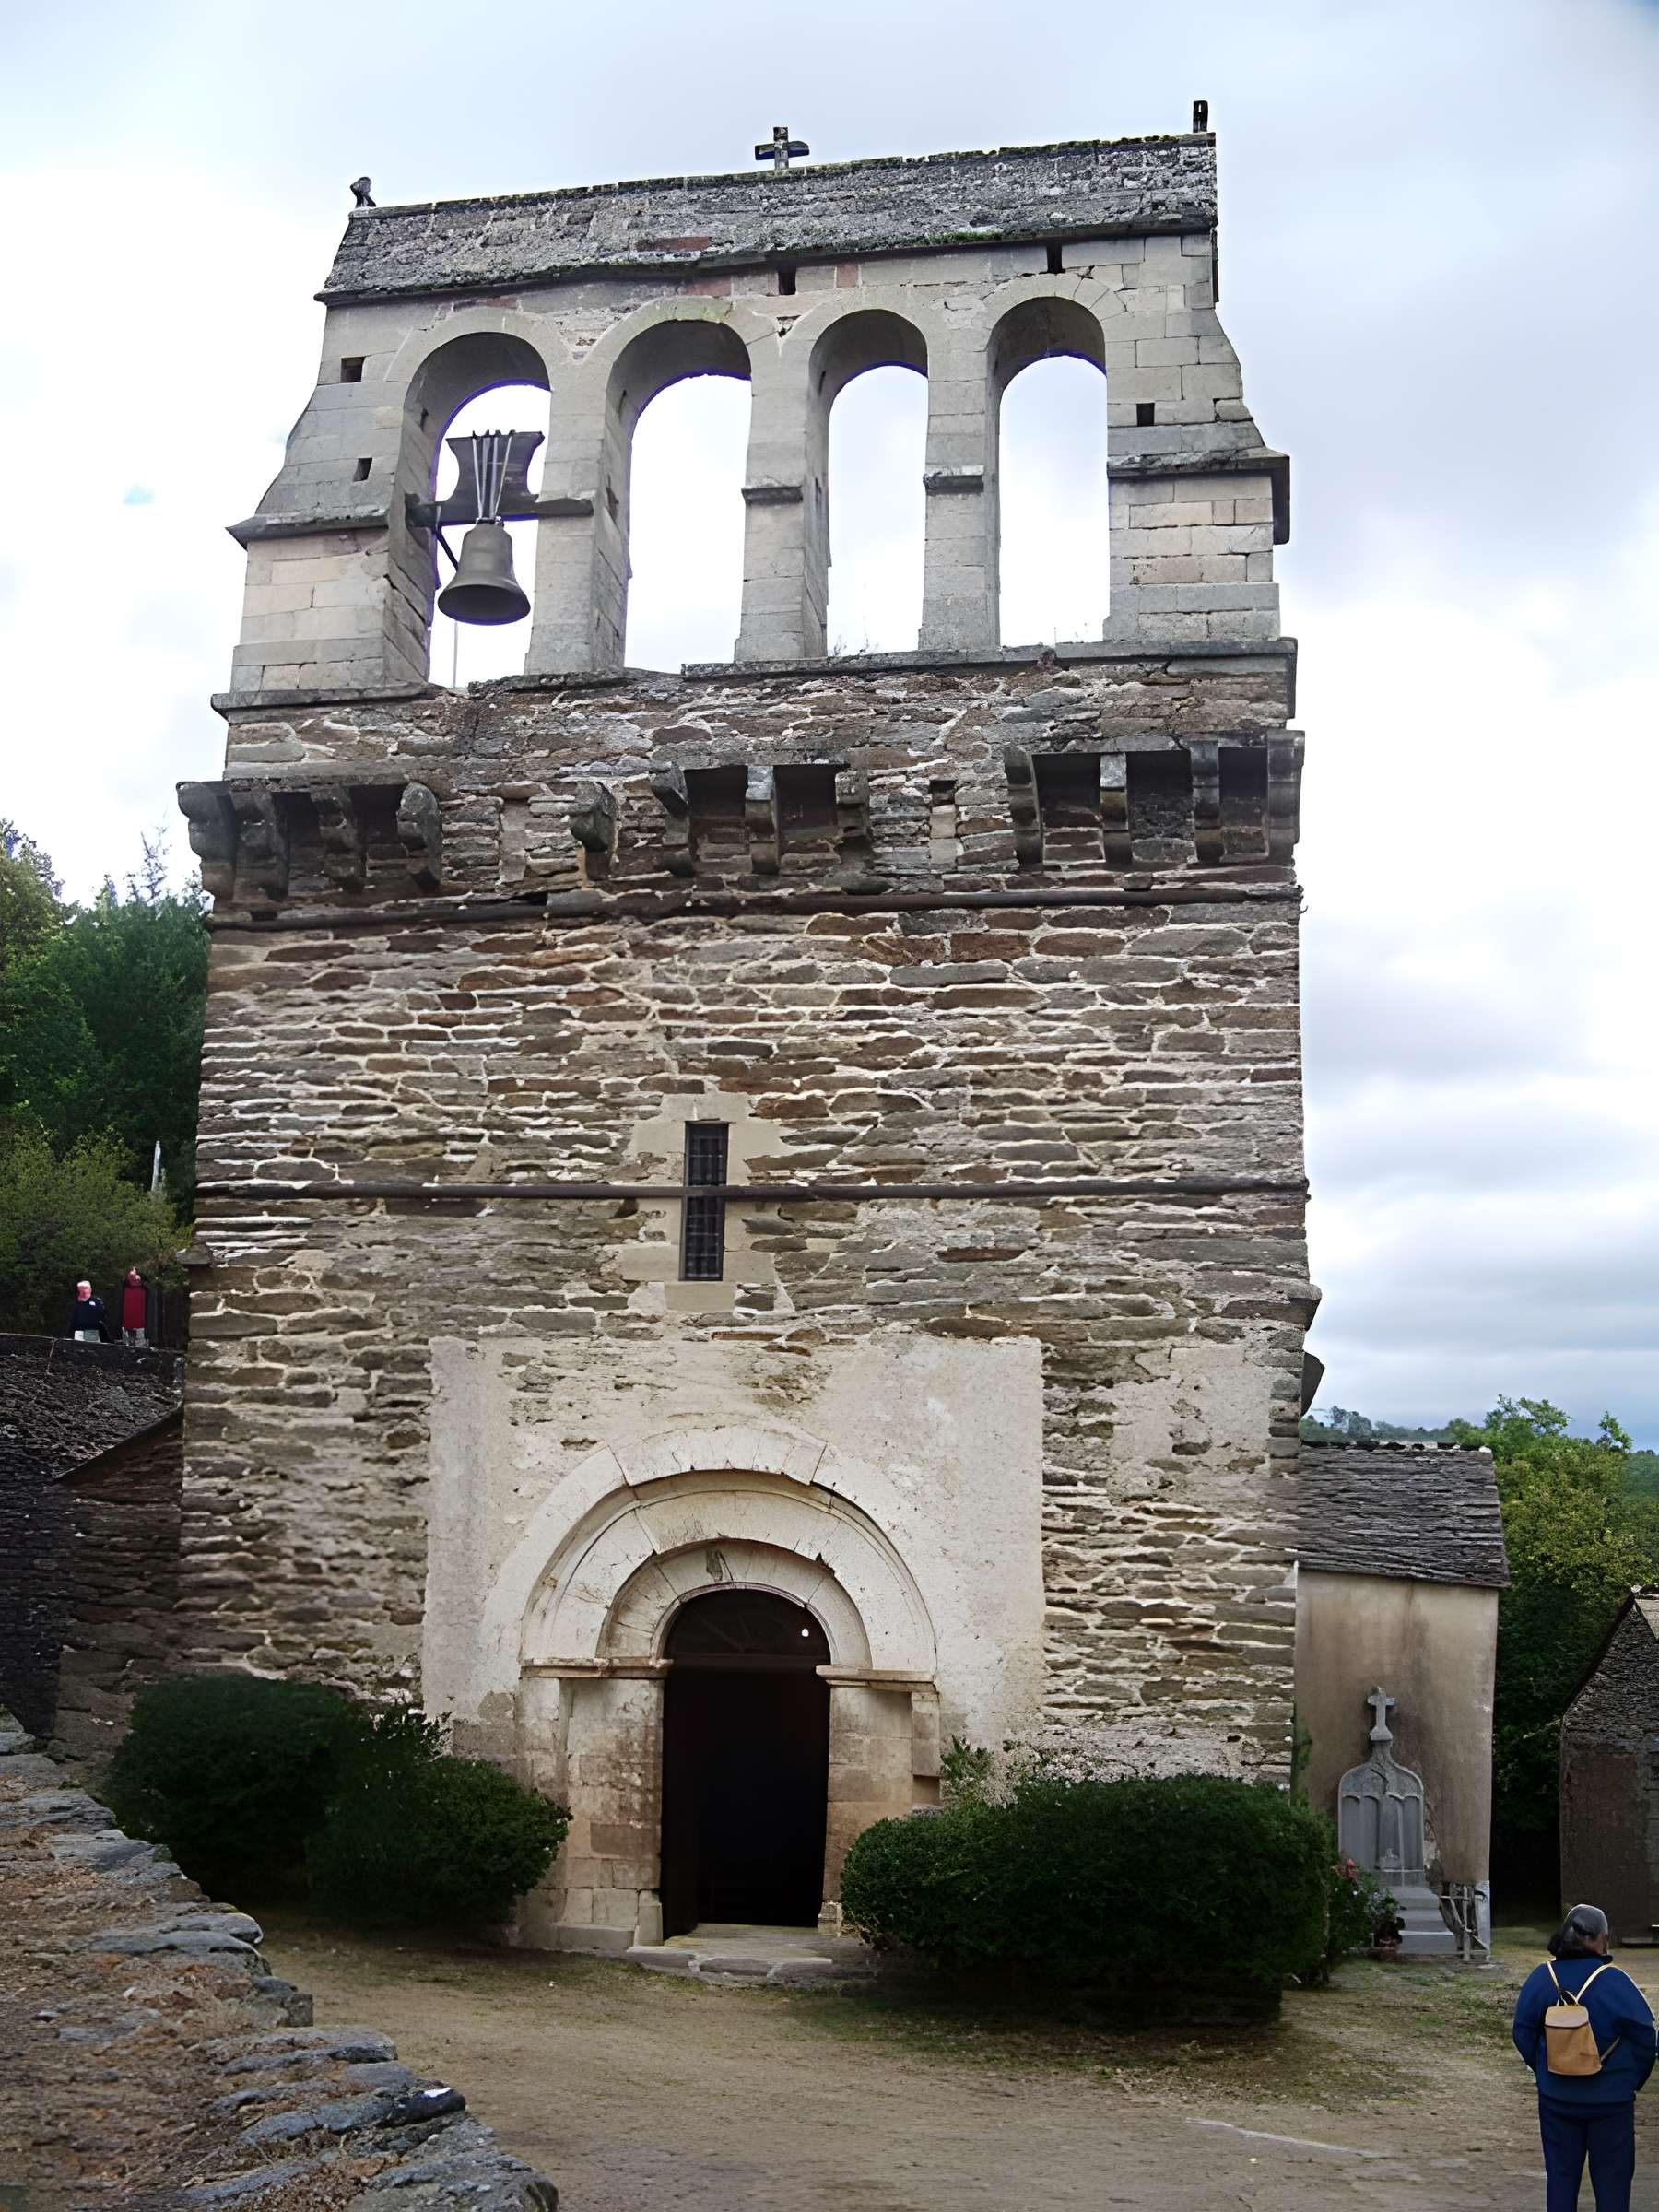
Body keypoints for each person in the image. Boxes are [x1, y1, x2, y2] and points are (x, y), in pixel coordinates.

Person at [1513, 1903, 1657, 2210]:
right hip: (1610, 2102)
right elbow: (1645, 2038)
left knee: (1561, 2180)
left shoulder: (1542, 1978)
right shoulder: (1616, 1981)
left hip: (1557, 2098)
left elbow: (1523, 2033)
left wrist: (1546, 2069)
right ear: (1595, 1939)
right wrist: (1629, 2082)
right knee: (1613, 2186)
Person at [69, 1279, 107, 1343]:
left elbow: (102, 1314)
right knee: (79, 1348)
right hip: (79, 1330)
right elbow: (73, 1317)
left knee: (90, 1348)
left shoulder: (96, 1301)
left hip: (91, 1330)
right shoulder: (77, 1302)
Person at [119, 1266, 147, 1347]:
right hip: (140, 1320)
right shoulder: (143, 1290)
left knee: (129, 1331)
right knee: (137, 1334)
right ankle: (135, 1344)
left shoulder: (125, 1289)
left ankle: (130, 1343)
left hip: (127, 1318)